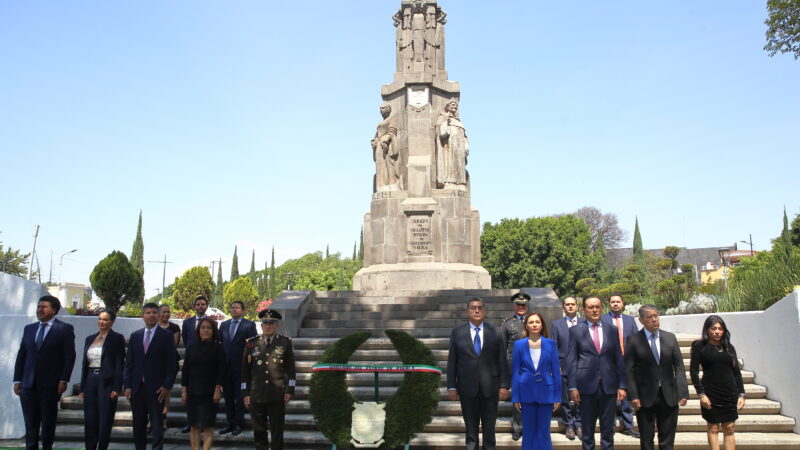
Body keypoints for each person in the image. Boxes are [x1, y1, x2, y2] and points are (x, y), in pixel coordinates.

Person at [14, 295, 77, 450]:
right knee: (30, 423)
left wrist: (64, 379)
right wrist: (17, 380)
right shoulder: (29, 328)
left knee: (48, 422)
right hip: (28, 385)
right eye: (38, 306)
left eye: (44, 307)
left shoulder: (64, 329)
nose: (39, 310)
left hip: (50, 385)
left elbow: (69, 356)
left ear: (54, 310)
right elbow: (22, 355)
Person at [446, 297, 509, 450]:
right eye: (473, 308)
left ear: (485, 311)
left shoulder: (496, 331)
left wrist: (504, 385)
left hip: (490, 388)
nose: (477, 310)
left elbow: (502, 360)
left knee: (489, 431)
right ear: (467, 311)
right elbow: (452, 361)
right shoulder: (457, 332)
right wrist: (451, 386)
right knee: (471, 432)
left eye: (480, 307)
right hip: (467, 388)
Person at [566, 296, 627, 450]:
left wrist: (622, 385)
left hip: (608, 387)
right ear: (584, 310)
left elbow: (618, 358)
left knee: (608, 432)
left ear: (602, 308)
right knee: (587, 433)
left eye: (597, 307)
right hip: (586, 388)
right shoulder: (575, 331)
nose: (594, 310)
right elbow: (572, 360)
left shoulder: (612, 329)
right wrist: (572, 387)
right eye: (591, 307)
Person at [624, 305, 688, 450]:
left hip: (668, 395)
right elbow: (629, 370)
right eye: (649, 317)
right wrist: (633, 395)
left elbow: (679, 366)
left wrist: (682, 392)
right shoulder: (633, 340)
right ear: (641, 320)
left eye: (656, 316)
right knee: (647, 440)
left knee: (667, 439)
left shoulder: (670, 338)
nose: (654, 319)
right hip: (644, 397)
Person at [124, 302, 177, 450]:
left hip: (157, 389)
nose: (151, 315)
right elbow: (129, 364)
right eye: (148, 312)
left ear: (158, 315)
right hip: (137, 388)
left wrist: (167, 386)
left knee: (157, 425)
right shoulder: (135, 336)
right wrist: (127, 385)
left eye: (154, 312)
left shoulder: (166, 336)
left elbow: (172, 364)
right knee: (138, 425)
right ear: (143, 315)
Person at [242, 309, 296, 450]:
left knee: (277, 431)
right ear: (261, 325)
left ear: (277, 325)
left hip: (277, 394)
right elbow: (245, 371)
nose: (267, 326)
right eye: (265, 323)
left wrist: (290, 390)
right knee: (259, 431)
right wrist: (245, 393)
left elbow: (291, 370)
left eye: (271, 323)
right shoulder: (251, 343)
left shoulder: (285, 342)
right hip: (257, 394)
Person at [690, 315, 746, 450]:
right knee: (713, 428)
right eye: (713, 328)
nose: (717, 331)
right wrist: (701, 394)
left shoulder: (729, 347)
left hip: (729, 393)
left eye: (720, 329)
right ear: (707, 330)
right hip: (710, 394)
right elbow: (694, 372)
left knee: (730, 428)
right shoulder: (699, 346)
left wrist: (742, 394)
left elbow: (737, 373)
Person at [512, 312, 561, 450]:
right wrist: (515, 397)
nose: (534, 325)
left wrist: (557, 396)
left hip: (546, 392)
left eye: (537, 322)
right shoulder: (519, 345)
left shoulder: (550, 344)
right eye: (531, 322)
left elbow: (556, 372)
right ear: (526, 325)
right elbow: (515, 372)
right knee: (528, 432)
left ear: (542, 325)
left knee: (544, 432)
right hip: (526, 392)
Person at [79, 309, 125, 450]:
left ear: (112, 321)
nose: (101, 322)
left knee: (105, 419)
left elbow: (119, 363)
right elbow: (84, 364)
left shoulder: (117, 338)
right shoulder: (90, 338)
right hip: (90, 380)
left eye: (105, 319)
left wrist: (117, 387)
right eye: (99, 319)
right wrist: (82, 387)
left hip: (107, 381)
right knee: (90, 418)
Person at [182, 318, 226, 450]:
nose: (205, 330)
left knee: (208, 426)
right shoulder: (191, 348)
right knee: (194, 425)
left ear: (213, 331)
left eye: (209, 328)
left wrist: (217, 389)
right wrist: (184, 391)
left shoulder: (218, 348)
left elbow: (221, 370)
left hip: (210, 393)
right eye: (203, 328)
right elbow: (185, 370)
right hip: (193, 392)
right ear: (198, 330)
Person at [601, 294, 640, 438]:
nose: (615, 304)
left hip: (627, 361)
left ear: (622, 304)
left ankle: (628, 426)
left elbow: (636, 339)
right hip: (609, 362)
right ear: (609, 304)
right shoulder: (603, 319)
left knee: (627, 394)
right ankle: (609, 426)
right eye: (613, 302)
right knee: (610, 395)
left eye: (618, 301)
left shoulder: (630, 320)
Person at [219, 300, 258, 435]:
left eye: (237, 308)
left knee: (239, 396)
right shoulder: (224, 325)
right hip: (226, 367)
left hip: (241, 367)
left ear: (243, 310)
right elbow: (220, 343)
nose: (234, 309)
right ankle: (229, 423)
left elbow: (253, 346)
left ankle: (238, 424)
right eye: (232, 307)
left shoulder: (249, 325)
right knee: (228, 397)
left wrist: (249, 365)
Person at [550, 295, 582, 440]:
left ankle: (579, 424)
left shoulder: (583, 323)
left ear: (577, 306)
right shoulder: (556, 324)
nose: (570, 306)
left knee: (581, 398)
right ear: (563, 307)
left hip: (581, 367)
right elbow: (553, 347)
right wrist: (556, 366)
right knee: (565, 398)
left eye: (572, 304)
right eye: (567, 304)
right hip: (563, 367)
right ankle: (569, 425)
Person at [501, 292, 529, 441]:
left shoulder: (533, 320)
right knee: (517, 397)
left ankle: (530, 427)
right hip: (515, 365)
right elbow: (502, 347)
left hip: (533, 366)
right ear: (514, 306)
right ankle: (518, 427)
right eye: (518, 304)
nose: (521, 307)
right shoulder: (507, 324)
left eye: (524, 305)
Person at [181, 295, 209, 433]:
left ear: (206, 306)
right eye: (198, 304)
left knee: (204, 397)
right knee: (191, 396)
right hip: (192, 362)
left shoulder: (212, 323)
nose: (200, 306)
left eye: (203, 304)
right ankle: (190, 422)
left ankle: (203, 423)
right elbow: (186, 340)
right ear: (194, 306)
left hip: (206, 363)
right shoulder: (187, 323)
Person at [435, 99, 469, 189]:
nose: (455, 106)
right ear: (447, 107)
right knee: (449, 164)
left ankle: (460, 183)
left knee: (459, 165)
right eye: (453, 104)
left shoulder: (458, 121)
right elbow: (441, 134)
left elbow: (465, 136)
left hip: (460, 147)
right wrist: (447, 125)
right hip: (449, 146)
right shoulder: (444, 118)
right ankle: (449, 183)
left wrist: (466, 146)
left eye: (456, 105)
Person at [157, 304, 181, 429]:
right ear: (158, 313)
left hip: (170, 362)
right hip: (155, 364)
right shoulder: (153, 326)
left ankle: (163, 418)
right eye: (163, 312)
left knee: (166, 390)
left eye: (168, 312)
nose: (166, 314)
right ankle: (152, 419)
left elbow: (173, 346)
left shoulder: (174, 327)